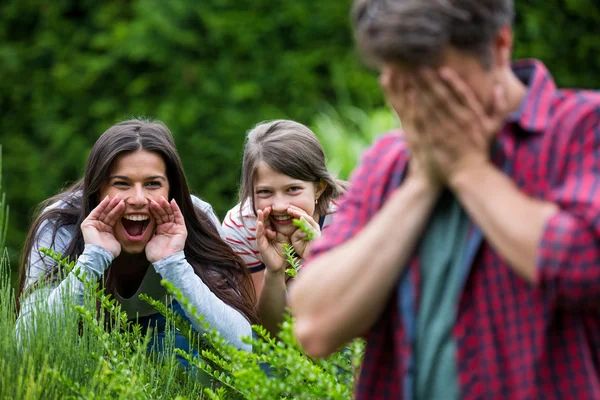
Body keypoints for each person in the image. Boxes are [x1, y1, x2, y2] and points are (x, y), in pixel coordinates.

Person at [290, 1, 600, 399]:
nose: (421, 106)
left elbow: (585, 264)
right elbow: (315, 323)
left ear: (500, 46)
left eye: (439, 83)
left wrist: (469, 170)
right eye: (404, 83)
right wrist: (421, 183)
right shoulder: (390, 164)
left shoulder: (581, 129)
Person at [17, 119, 258, 361]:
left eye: (153, 184)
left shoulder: (197, 220)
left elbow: (240, 345)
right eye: (122, 184)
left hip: (169, 336)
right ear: (97, 189)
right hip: (87, 340)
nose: (139, 198)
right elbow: (26, 345)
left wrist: (174, 264)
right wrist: (93, 258)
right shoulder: (61, 225)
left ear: (171, 190)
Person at [221, 120, 346, 334]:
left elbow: (359, 311)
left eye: (293, 189)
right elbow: (269, 333)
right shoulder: (241, 226)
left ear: (318, 188)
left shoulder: (348, 216)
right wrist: (274, 271)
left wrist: (319, 257)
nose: (279, 206)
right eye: (265, 192)